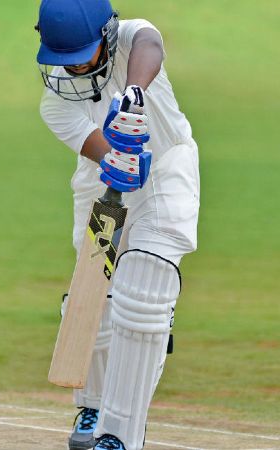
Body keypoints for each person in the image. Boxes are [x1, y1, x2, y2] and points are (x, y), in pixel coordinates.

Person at [35, 0, 200, 449]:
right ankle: (91, 405)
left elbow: (150, 43)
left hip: (166, 168)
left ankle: (118, 435)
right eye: (64, 59)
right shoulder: (55, 104)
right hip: (102, 180)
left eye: (81, 55)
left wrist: (134, 93)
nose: (73, 68)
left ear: (107, 36)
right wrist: (114, 156)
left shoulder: (132, 38)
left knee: (144, 289)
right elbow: (108, 156)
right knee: (97, 294)